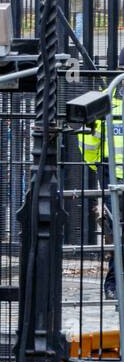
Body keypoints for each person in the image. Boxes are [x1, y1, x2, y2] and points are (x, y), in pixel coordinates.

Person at [76, 51, 124, 300]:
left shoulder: (108, 98)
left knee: (119, 233)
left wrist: (96, 165)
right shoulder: (106, 100)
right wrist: (98, 166)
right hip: (112, 174)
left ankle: (114, 284)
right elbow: (87, 138)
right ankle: (114, 283)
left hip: (109, 172)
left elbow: (87, 140)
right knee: (118, 233)